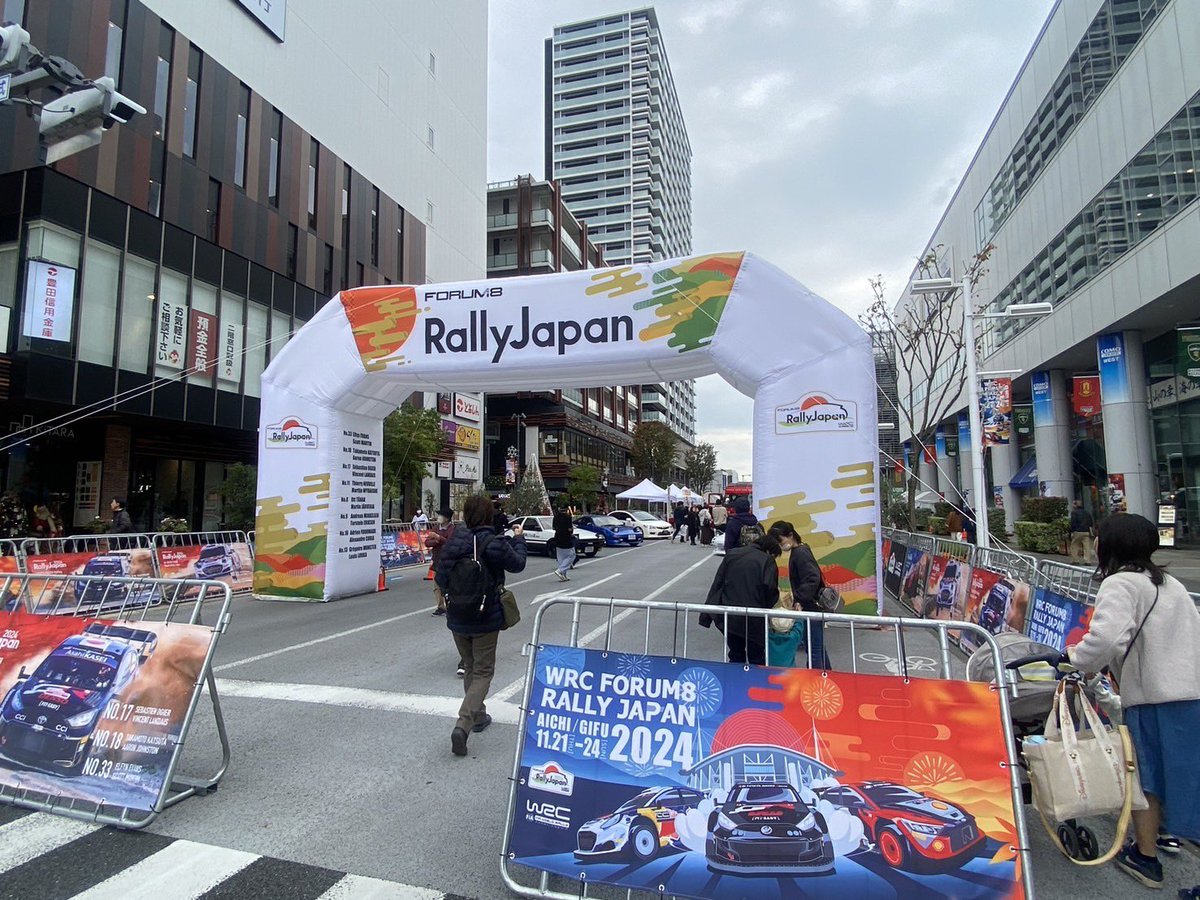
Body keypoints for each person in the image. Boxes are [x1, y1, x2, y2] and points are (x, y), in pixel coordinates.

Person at [1066, 514, 1200, 891]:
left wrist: (1075, 659)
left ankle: (1146, 857)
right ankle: (1153, 845)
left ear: (1109, 545)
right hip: (1191, 695)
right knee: (1188, 784)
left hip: (1154, 698)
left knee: (1146, 780)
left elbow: (1106, 640)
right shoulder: (1169, 583)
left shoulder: (1119, 584)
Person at [435, 495, 527, 757]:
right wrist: (518, 539)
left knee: (471, 666)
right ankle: (463, 723)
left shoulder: (456, 541)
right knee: (484, 671)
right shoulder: (493, 542)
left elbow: (441, 576)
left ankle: (478, 716)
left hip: (458, 615)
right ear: (488, 516)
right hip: (485, 615)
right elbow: (518, 564)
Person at [698, 534, 782, 665]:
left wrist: (706, 615)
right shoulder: (767, 560)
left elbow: (718, 583)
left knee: (736, 654)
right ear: (769, 550)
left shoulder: (732, 554)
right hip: (754, 616)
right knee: (757, 657)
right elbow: (770, 589)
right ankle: (754, 684)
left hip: (730, 613)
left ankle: (734, 683)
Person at [768, 522, 831, 668]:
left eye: (781, 540)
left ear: (790, 535)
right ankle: (827, 675)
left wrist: (799, 599)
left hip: (810, 606)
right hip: (811, 604)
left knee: (813, 647)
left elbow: (812, 578)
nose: (780, 545)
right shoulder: (801, 550)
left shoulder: (800, 553)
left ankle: (816, 680)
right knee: (817, 646)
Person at [424, 508, 455, 618]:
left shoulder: (452, 528)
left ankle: (451, 606)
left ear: (447, 518)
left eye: (441, 515)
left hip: (448, 561)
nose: (439, 517)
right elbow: (427, 542)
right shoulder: (436, 527)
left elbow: (450, 542)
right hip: (437, 560)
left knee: (449, 585)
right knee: (436, 585)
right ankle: (441, 607)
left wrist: (439, 538)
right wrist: (436, 541)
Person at [552, 504, 575, 582]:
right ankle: (560, 570)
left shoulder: (556, 517)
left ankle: (564, 575)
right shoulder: (568, 517)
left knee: (561, 557)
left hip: (557, 537)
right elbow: (569, 528)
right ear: (566, 510)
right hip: (566, 537)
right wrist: (571, 531)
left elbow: (553, 527)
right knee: (571, 555)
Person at [1068, 500, 1095, 564]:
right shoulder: (1087, 512)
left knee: (1074, 545)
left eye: (1073, 504)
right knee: (1087, 547)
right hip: (1086, 531)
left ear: (1075, 505)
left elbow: (1073, 523)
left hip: (1077, 531)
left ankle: (1075, 560)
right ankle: (1088, 561)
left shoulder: (1074, 513)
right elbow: (1091, 522)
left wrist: (1071, 531)